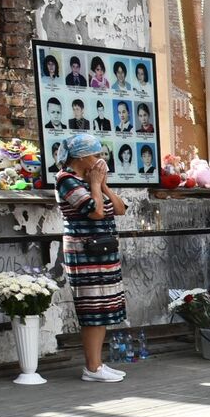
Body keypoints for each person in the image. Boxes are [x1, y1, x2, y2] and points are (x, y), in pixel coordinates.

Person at [55, 133, 130, 381]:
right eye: (96, 155)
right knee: (92, 308)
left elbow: (119, 209)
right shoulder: (66, 180)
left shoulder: (89, 180)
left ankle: (97, 364)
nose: (100, 160)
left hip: (103, 251)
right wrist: (96, 186)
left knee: (104, 307)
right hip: (84, 253)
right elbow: (96, 212)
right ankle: (92, 367)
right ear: (83, 157)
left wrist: (103, 184)